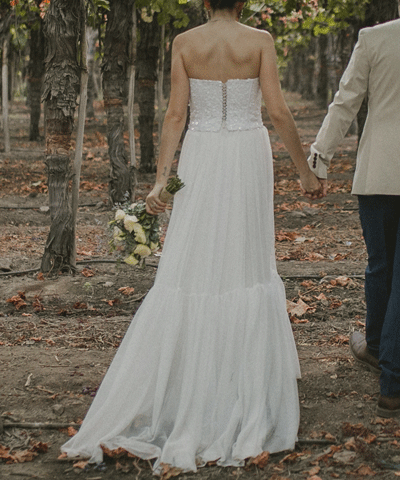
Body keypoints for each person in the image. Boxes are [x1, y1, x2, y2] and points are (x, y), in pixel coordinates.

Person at [62, 0, 324, 472]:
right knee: (246, 263)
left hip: (201, 153)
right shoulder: (260, 41)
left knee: (196, 262)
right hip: (247, 153)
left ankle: (187, 386)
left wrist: (161, 180)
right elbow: (278, 111)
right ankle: (239, 389)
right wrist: (303, 171)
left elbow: (174, 117)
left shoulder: (184, 43)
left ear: (205, 2)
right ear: (241, 2)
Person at [307, 18, 400, 417]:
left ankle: (382, 356)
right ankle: (382, 354)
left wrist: (319, 157)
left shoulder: (375, 38)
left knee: (381, 264)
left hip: (380, 170)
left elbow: (346, 101)